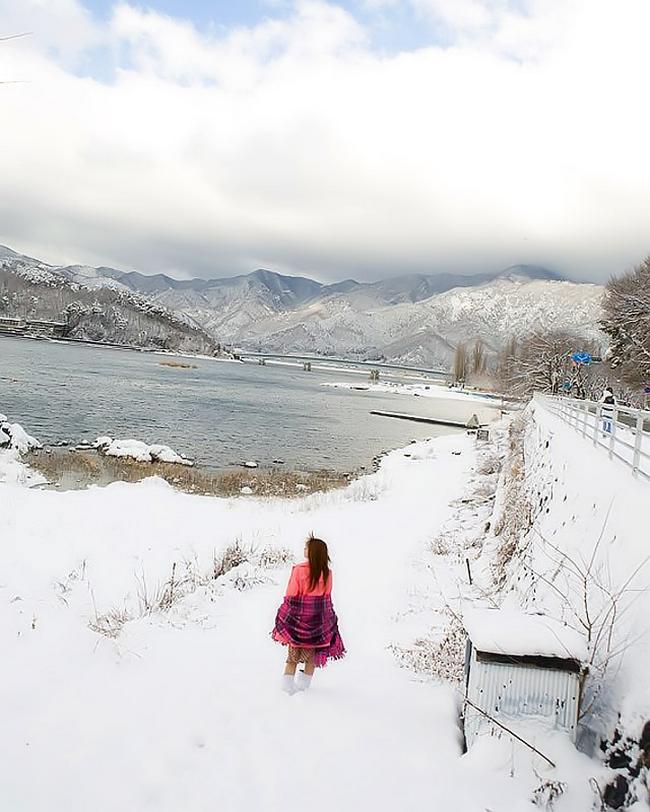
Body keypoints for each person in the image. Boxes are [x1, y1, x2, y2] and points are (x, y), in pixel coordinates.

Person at [271, 535, 345, 694]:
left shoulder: (298, 571)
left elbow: (291, 595)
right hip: (317, 622)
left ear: (311, 552)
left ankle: (286, 689)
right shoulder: (327, 573)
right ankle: (304, 689)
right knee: (311, 656)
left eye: (306, 548)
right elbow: (326, 597)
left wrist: (284, 615)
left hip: (298, 622)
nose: (304, 550)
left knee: (292, 657)